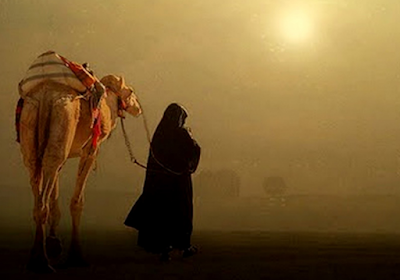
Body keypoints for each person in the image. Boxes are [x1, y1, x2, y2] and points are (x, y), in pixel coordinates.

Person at [124, 103, 201, 261]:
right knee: (181, 212)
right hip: (179, 184)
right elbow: (193, 152)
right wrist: (192, 140)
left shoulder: (160, 135)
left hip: (160, 185)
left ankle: (163, 248)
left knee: (160, 215)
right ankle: (184, 246)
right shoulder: (182, 134)